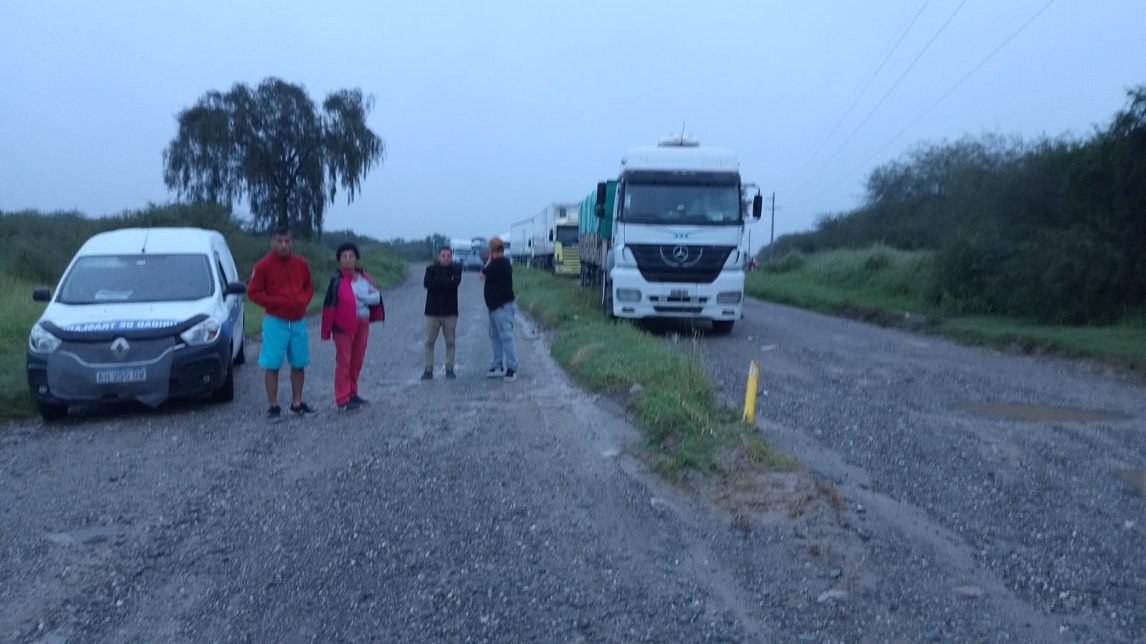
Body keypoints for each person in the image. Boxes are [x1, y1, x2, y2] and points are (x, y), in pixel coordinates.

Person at [247, 226, 317, 419]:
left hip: (298, 321)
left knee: (299, 363)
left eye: (287, 241)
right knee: (272, 364)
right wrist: (276, 303)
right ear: (272, 242)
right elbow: (253, 292)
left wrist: (303, 300)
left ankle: (297, 403)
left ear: (291, 242)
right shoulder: (263, 266)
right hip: (275, 321)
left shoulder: (301, 263)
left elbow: (309, 287)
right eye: (279, 241)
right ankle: (273, 406)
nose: (284, 245)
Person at [320, 242, 384, 412]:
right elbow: (330, 304)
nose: (348, 260)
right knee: (344, 361)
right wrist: (327, 329)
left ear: (356, 259)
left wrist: (360, 296)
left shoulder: (364, 278)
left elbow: (377, 298)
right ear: (339, 260)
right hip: (343, 326)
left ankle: (352, 393)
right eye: (344, 257)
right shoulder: (337, 280)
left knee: (357, 360)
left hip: (363, 322)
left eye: (351, 256)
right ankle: (342, 398)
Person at [479, 236, 517, 381]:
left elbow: (482, 275)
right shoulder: (503, 262)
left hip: (502, 307)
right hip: (495, 306)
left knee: (506, 336)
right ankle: (497, 364)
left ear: (491, 250)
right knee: (495, 336)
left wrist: (489, 259)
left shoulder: (500, 263)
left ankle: (512, 367)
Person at [422, 244, 462, 380]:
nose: (446, 258)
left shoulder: (456, 269)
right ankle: (428, 369)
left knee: (450, 342)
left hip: (450, 312)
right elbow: (427, 284)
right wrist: (445, 281)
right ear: (439, 256)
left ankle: (449, 368)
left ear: (452, 257)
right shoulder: (430, 269)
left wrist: (438, 282)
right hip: (432, 312)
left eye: (448, 256)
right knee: (429, 342)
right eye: (443, 256)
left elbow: (454, 284)